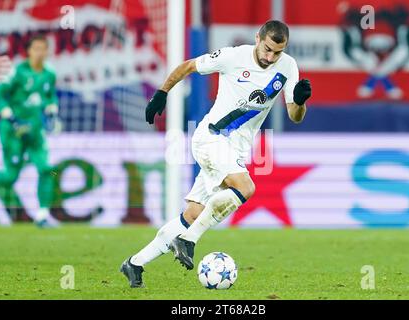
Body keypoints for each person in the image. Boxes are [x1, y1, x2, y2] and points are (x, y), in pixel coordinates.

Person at [120, 20, 312, 288]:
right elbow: (188, 66)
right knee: (245, 187)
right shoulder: (232, 56)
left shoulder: (288, 66)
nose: (270, 57)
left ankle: (135, 263)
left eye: (277, 52)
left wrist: (301, 102)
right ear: (258, 38)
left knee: (193, 213)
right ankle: (189, 240)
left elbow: (295, 116)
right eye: (267, 49)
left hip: (235, 150)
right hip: (211, 137)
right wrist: (161, 94)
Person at [0, 35, 61, 227]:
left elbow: (50, 96)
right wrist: (8, 114)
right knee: (9, 177)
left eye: (43, 48)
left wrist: (51, 109)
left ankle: (42, 216)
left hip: (35, 131)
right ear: (29, 51)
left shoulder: (49, 73)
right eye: (36, 48)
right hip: (13, 130)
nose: (40, 52)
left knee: (46, 169)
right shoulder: (16, 72)